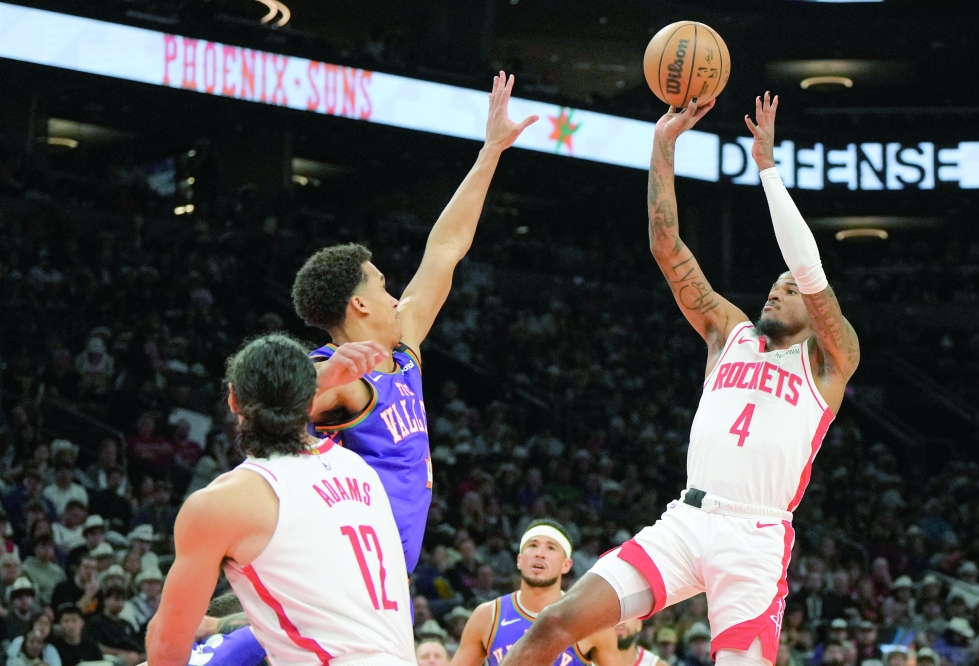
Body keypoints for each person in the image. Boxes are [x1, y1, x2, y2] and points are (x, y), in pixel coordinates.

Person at [499, 94, 861, 666]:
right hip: (686, 521)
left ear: (814, 310)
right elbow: (666, 248)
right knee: (555, 623)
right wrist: (662, 147)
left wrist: (767, 170)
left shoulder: (828, 361)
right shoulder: (728, 333)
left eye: (789, 290)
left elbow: (811, 271)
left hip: (754, 539)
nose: (776, 290)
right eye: (774, 283)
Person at [291, 71, 538, 579]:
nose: (392, 294)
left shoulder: (404, 348)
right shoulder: (337, 373)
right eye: (381, 285)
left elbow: (447, 247)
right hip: (340, 568)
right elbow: (267, 414)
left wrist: (491, 150)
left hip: (386, 572)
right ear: (359, 306)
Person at [145, 334, 415, 666]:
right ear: (313, 404)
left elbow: (168, 643)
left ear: (232, 399)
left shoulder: (223, 503)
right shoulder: (359, 470)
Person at [449, 520, 620, 666]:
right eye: (532, 545)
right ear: (520, 560)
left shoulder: (590, 621)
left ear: (566, 565)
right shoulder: (487, 616)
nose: (540, 554)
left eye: (551, 548)